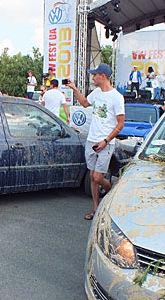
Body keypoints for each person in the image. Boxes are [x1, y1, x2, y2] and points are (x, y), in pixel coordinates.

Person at [64, 63, 125, 221]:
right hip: (91, 139)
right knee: (92, 176)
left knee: (98, 178)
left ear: (102, 76)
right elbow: (85, 103)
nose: (92, 77)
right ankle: (96, 208)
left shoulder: (117, 97)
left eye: (94, 75)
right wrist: (74, 88)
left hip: (105, 142)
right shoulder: (97, 92)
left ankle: (112, 193)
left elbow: (120, 124)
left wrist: (106, 140)